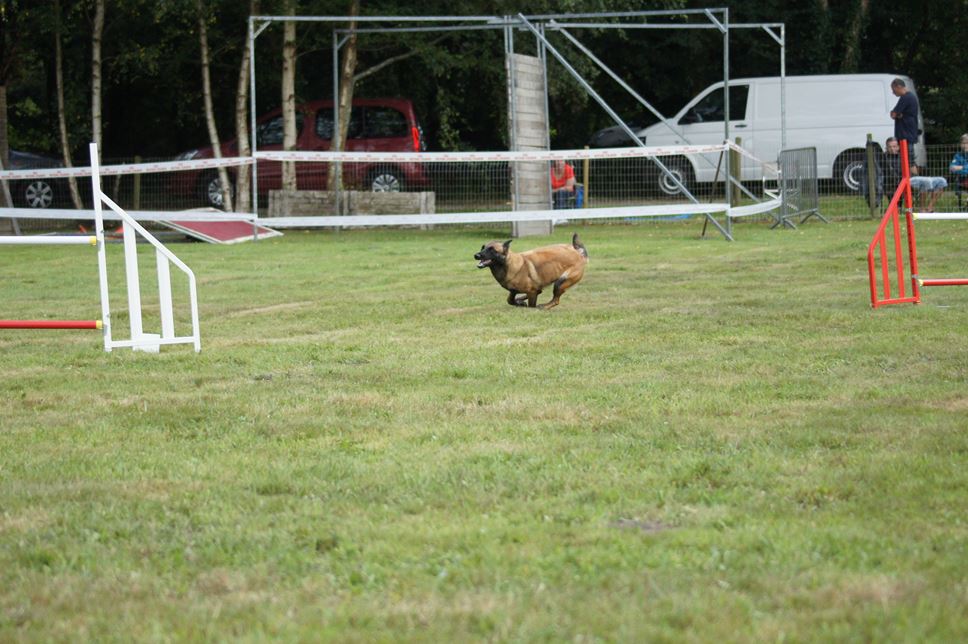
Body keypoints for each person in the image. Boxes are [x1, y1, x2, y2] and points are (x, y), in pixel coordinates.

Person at [889, 78, 920, 169]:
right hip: (908, 134)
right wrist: (899, 114)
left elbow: (893, 114)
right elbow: (895, 114)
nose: (893, 92)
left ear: (898, 87)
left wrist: (897, 114)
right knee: (909, 162)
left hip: (905, 136)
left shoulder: (905, 97)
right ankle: (912, 181)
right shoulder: (910, 97)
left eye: (893, 90)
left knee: (909, 162)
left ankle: (914, 182)